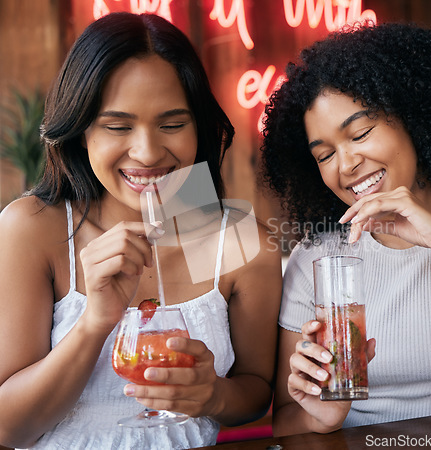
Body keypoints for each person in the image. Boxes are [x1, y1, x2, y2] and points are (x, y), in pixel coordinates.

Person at [0, 12, 282, 449]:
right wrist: (95, 322)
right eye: (118, 126)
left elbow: (256, 390)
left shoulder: (241, 240)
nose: (148, 152)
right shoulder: (33, 229)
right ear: (81, 131)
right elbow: (8, 428)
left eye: (172, 124)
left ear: (199, 126)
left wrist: (215, 395)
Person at [260, 22, 431, 436]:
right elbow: (286, 422)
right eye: (323, 155)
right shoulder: (316, 259)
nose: (346, 164)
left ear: (415, 118)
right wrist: (321, 414)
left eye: (361, 133)